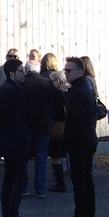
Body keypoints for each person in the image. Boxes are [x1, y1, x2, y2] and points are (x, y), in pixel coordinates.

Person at [0, 59, 34, 217]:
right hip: (14, 140)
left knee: (10, 178)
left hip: (13, 139)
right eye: (21, 70)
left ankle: (8, 216)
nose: (24, 73)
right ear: (12, 73)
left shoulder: (13, 88)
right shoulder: (9, 90)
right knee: (19, 179)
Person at [60, 55, 99, 217]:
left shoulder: (80, 91)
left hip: (80, 141)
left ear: (80, 72)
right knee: (85, 178)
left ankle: (80, 216)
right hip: (85, 140)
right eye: (65, 70)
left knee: (79, 179)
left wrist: (67, 140)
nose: (66, 73)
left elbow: (77, 121)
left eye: (69, 70)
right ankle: (89, 216)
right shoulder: (82, 88)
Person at [21, 59, 55, 197]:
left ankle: (24, 188)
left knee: (23, 158)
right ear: (38, 69)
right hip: (43, 124)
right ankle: (40, 189)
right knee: (41, 158)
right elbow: (56, 102)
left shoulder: (22, 83)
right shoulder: (47, 83)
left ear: (26, 69)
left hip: (26, 124)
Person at [41, 53, 68, 193]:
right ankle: (60, 181)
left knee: (55, 156)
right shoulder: (67, 92)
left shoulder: (57, 94)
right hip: (63, 126)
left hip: (57, 126)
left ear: (57, 81)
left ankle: (60, 183)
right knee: (57, 156)